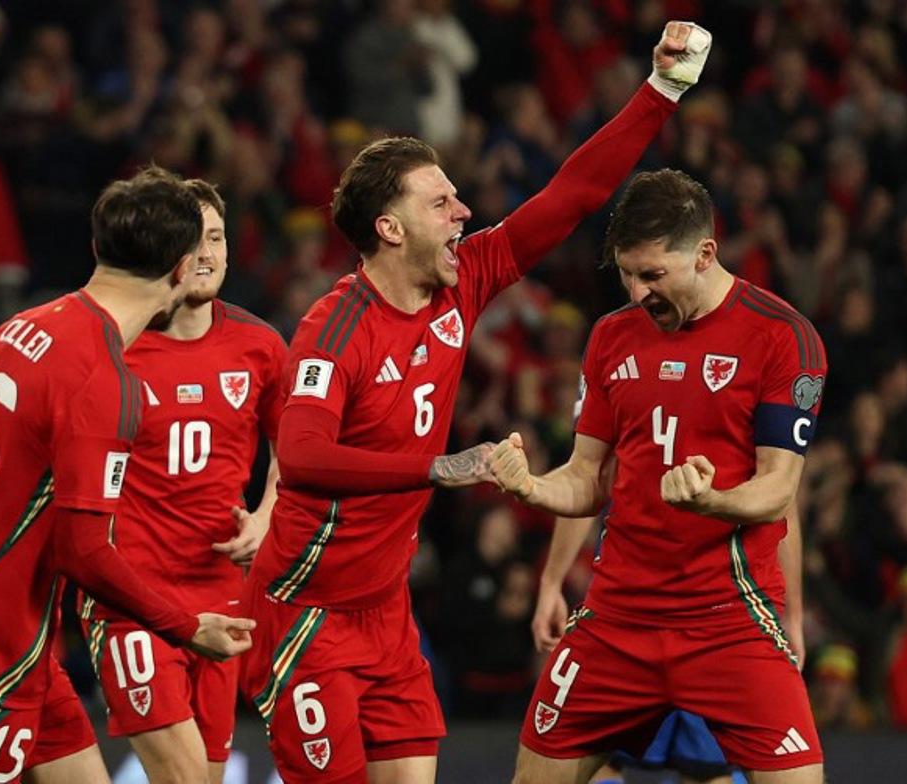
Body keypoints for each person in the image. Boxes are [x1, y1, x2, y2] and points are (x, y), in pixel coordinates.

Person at [241, 21, 713, 784]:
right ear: (390, 229)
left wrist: (663, 90)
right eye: (441, 203)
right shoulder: (334, 329)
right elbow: (300, 456)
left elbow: (574, 194)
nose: (463, 212)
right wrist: (436, 469)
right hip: (307, 610)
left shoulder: (466, 281)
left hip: (387, 610)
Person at [0, 165, 255, 784]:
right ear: (177, 270)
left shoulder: (20, 326)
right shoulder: (104, 379)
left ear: (98, 249)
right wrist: (186, 627)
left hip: (14, 634)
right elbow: (84, 549)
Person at [488, 167, 827, 784]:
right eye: (626, 273)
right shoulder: (611, 338)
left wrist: (712, 500)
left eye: (652, 275)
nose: (638, 291)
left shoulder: (784, 338)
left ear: (705, 254)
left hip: (730, 620)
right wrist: (530, 486)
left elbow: (780, 490)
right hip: (616, 620)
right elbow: (587, 479)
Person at [80, 179, 287, 784]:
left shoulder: (261, 347)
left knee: (208, 775)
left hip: (221, 593)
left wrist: (268, 516)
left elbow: (292, 453)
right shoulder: (115, 346)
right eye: (192, 239)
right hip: (130, 594)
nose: (206, 252)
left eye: (217, 237)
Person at [530, 507, 808, 784]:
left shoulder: (758, 464)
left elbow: (782, 503)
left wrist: (793, 615)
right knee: (602, 760)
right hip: (630, 618)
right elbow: (585, 480)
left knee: (708, 771)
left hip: (717, 625)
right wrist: (551, 582)